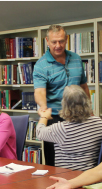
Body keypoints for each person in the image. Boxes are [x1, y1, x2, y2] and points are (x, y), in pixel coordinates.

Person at [33, 24, 90, 166]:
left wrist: (90, 109)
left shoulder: (76, 59)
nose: (58, 45)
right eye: (54, 42)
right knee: (54, 161)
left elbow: (83, 86)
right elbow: (40, 91)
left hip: (79, 116)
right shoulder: (41, 65)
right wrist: (44, 108)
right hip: (55, 117)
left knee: (79, 158)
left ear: (66, 40)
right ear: (47, 41)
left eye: (61, 41)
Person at [36, 85, 102, 171]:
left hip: (67, 177)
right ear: (87, 101)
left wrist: (44, 116)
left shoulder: (62, 129)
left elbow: (39, 133)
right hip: (91, 176)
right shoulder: (98, 122)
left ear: (64, 105)